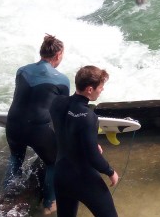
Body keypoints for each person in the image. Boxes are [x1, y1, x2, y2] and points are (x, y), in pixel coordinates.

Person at [4, 34, 69, 216]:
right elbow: (60, 111)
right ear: (58, 55)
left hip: (13, 124)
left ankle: (6, 195)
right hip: (38, 129)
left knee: (16, 157)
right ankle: (49, 204)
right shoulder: (62, 80)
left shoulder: (21, 71)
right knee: (53, 162)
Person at [50, 65, 119, 217]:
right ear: (89, 89)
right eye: (100, 87)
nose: (102, 90)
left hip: (61, 175)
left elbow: (66, 132)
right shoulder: (89, 117)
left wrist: (89, 143)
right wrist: (110, 171)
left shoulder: (56, 103)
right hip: (84, 178)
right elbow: (93, 157)